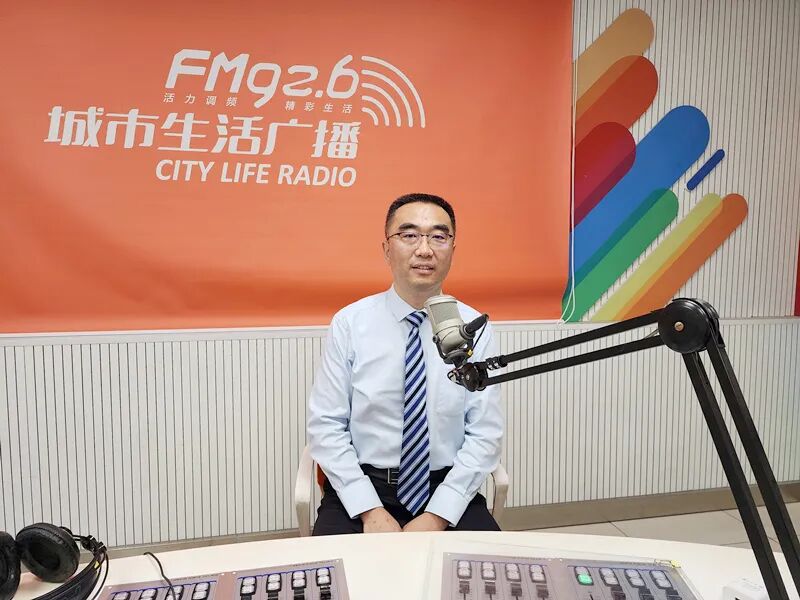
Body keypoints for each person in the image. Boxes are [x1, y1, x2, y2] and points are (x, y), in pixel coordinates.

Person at [307, 193, 503, 535]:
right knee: (336, 570)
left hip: (446, 486)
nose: (424, 250)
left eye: (438, 237)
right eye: (409, 235)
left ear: (452, 250)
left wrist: (439, 514)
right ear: (386, 249)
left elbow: (485, 431)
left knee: (487, 568)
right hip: (364, 487)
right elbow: (326, 424)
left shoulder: (472, 328)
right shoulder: (350, 323)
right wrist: (369, 510)